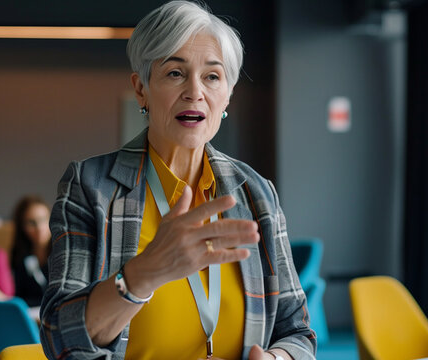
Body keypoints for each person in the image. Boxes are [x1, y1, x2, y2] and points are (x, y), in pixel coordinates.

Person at [40, 1, 316, 359]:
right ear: (141, 89)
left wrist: (278, 358)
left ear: (227, 94)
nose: (195, 92)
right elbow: (58, 336)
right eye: (175, 73)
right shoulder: (92, 187)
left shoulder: (256, 192)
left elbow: (297, 331)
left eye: (212, 76)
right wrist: (144, 273)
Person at [10, 195, 52, 307]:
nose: (39, 227)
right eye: (31, 222)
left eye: (43, 219)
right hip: (30, 315)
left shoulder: (63, 252)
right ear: (22, 227)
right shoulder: (19, 256)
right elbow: (17, 296)